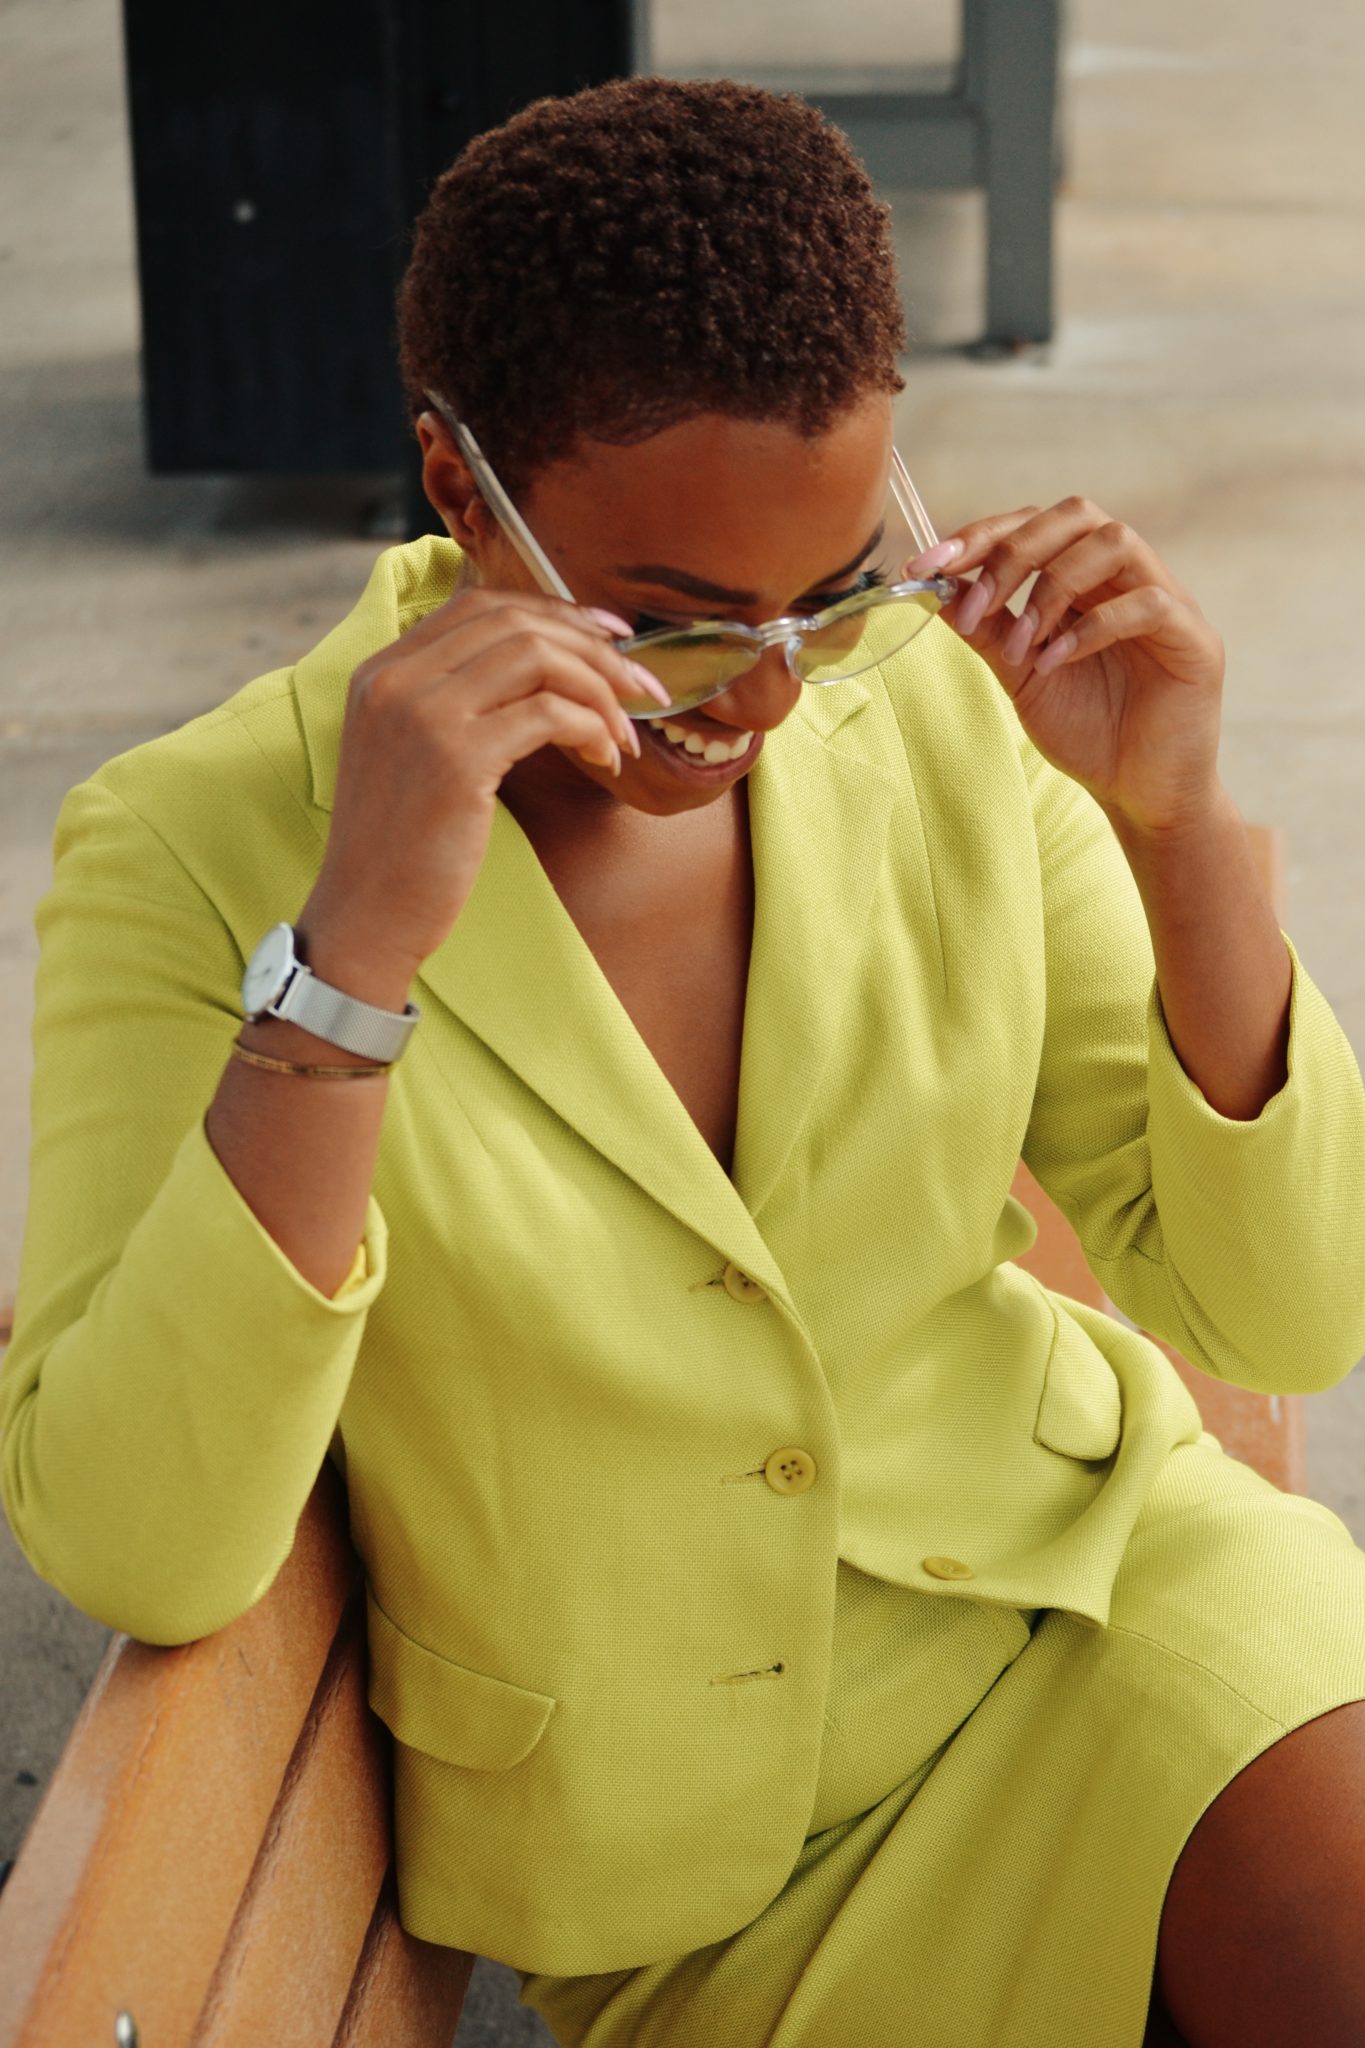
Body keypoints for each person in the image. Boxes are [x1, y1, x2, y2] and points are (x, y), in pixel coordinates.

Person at [4, 73, 1365, 2048]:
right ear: (459, 488)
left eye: (829, 592)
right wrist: (353, 957)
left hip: (1104, 1597)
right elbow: (140, 1531)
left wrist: (1173, 831)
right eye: (674, 619)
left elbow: (1281, 1302)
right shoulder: (200, 841)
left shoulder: (928, 714)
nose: (769, 693)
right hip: (699, 1863)